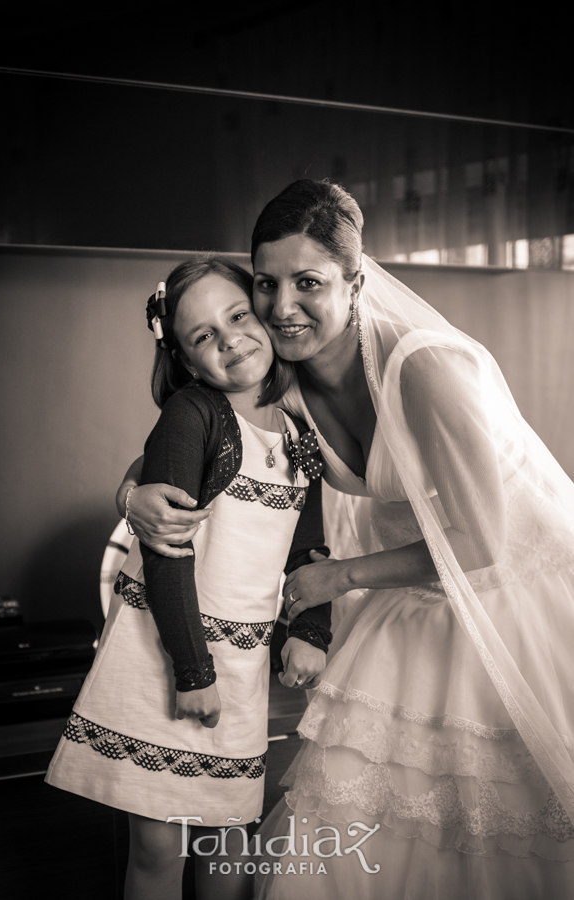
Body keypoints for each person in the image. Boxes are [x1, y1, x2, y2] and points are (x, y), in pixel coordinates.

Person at [118, 181, 574, 898]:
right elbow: (185, 442)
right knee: (366, 805)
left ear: (355, 282)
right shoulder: (282, 375)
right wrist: (130, 494)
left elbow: (483, 541)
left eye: (309, 283)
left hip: (508, 597)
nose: (281, 307)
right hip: (403, 587)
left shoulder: (427, 368)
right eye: (265, 284)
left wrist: (337, 579)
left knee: (504, 816)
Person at [46, 257, 333, 900]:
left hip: (238, 667)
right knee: (159, 845)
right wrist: (192, 671)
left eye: (237, 316)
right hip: (169, 654)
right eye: (204, 335)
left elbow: (309, 545)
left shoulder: (298, 429)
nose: (229, 338)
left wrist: (310, 628)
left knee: (227, 839)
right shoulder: (194, 414)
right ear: (185, 360)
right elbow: (168, 551)